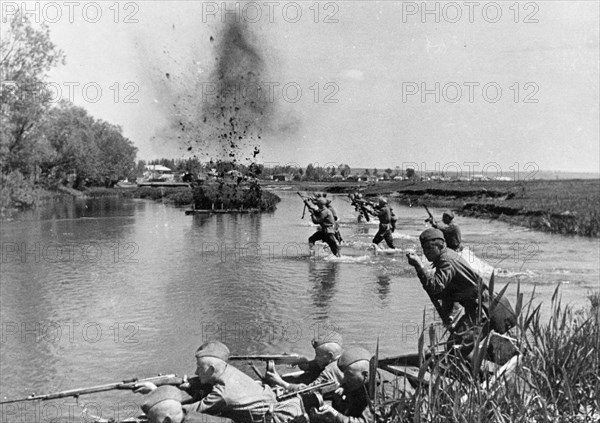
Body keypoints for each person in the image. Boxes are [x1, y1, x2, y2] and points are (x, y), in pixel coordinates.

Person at [406, 229, 516, 355]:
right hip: (483, 307)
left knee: (455, 348)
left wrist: (419, 267)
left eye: (429, 249)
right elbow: (448, 292)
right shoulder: (447, 256)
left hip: (484, 309)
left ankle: (466, 371)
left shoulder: (446, 261)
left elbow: (435, 287)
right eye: (424, 249)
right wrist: (447, 313)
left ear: (441, 245)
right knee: (458, 347)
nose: (426, 253)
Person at [135, 341, 305, 423]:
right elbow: (204, 385)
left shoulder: (223, 394)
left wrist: (155, 392)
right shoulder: (229, 371)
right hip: (276, 404)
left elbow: (179, 413)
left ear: (210, 370)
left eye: (199, 369)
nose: (195, 372)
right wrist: (189, 386)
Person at [309, 346, 374, 423]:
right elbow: (351, 412)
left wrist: (335, 415)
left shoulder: (379, 393)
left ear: (365, 374)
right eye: (344, 375)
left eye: (349, 375)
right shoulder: (359, 382)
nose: (344, 379)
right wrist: (338, 401)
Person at [265, 331, 344, 392]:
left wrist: (281, 383)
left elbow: (307, 391)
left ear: (330, 355)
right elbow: (316, 365)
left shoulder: (329, 371)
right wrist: (302, 361)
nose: (315, 358)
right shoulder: (340, 359)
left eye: (318, 355)